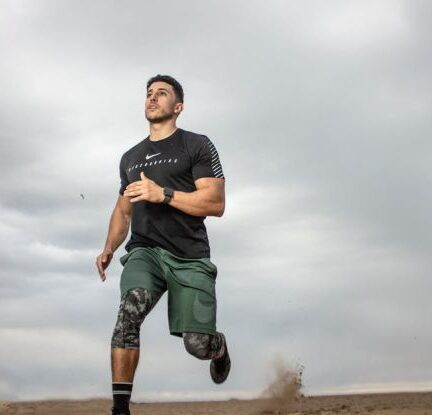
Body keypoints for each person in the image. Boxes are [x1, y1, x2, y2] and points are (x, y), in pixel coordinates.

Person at [95, 74, 231, 415]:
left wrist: (163, 194)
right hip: (145, 252)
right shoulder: (130, 157)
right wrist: (109, 247)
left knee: (196, 345)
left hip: (189, 256)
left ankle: (219, 347)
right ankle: (120, 409)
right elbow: (123, 210)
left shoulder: (196, 145)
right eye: (149, 93)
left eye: (162, 93)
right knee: (128, 314)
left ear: (178, 106)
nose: (152, 98)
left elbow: (215, 203)